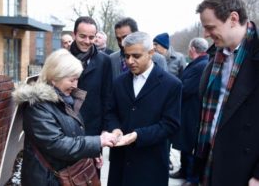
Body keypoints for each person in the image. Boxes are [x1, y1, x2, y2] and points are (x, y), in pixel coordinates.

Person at [12, 49, 118, 185]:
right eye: (72, 80)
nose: (75, 85)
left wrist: (90, 152)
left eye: (77, 79)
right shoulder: (38, 107)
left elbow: (73, 133)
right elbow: (57, 144)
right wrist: (97, 142)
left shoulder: (63, 99)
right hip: (46, 180)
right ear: (54, 79)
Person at [193, 0, 259, 185]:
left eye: (210, 27)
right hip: (211, 158)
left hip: (245, 169)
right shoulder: (216, 55)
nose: (205, 34)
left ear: (233, 18)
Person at [105, 31, 182, 186]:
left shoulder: (171, 84)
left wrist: (138, 135)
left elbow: (170, 124)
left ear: (151, 53)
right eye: (126, 56)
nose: (130, 61)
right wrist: (115, 128)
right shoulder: (119, 82)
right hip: (120, 162)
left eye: (136, 56)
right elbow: (110, 112)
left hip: (150, 164)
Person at [170, 37, 209, 186]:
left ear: (192, 49)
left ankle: (192, 178)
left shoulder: (201, 65)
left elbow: (187, 88)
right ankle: (184, 170)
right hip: (187, 109)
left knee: (190, 144)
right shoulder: (198, 63)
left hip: (193, 110)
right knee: (184, 142)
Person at [69, 16, 112, 137]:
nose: (87, 41)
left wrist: (105, 128)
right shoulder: (61, 58)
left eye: (91, 37)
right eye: (82, 36)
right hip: (66, 126)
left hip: (93, 129)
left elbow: (107, 96)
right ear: (74, 34)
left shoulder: (104, 61)